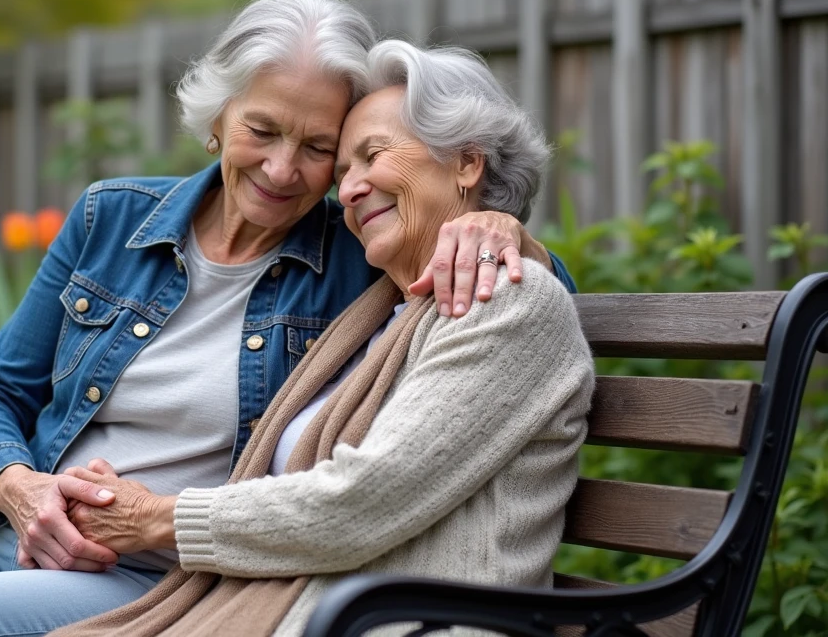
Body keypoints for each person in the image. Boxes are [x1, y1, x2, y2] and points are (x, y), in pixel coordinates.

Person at [0, 0, 574, 637]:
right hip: (32, 536)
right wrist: (17, 489)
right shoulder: (113, 221)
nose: (289, 169)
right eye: (261, 130)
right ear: (218, 121)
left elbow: (518, 305)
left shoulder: (353, 257)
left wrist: (501, 224)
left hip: (170, 573)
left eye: (323, 148)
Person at [50, 40, 596, 637]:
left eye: (373, 155)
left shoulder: (504, 299)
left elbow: (362, 502)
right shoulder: (381, 310)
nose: (352, 189)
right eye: (342, 172)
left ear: (467, 164)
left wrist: (155, 519)